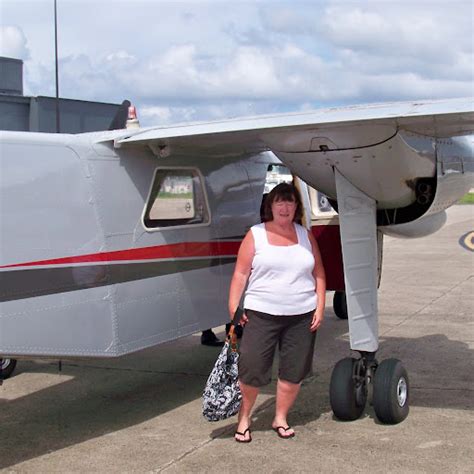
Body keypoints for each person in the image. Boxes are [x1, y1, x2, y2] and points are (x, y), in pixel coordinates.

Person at [228, 183, 326, 443]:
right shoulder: (256, 234)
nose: (284, 207)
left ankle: (280, 417)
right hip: (261, 313)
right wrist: (234, 309)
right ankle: (245, 419)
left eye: (290, 202)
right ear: (270, 206)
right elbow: (240, 273)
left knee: (293, 372)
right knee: (252, 370)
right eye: (279, 202)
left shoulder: (305, 235)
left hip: (302, 315)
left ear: (296, 207)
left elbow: (318, 272)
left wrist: (320, 306)